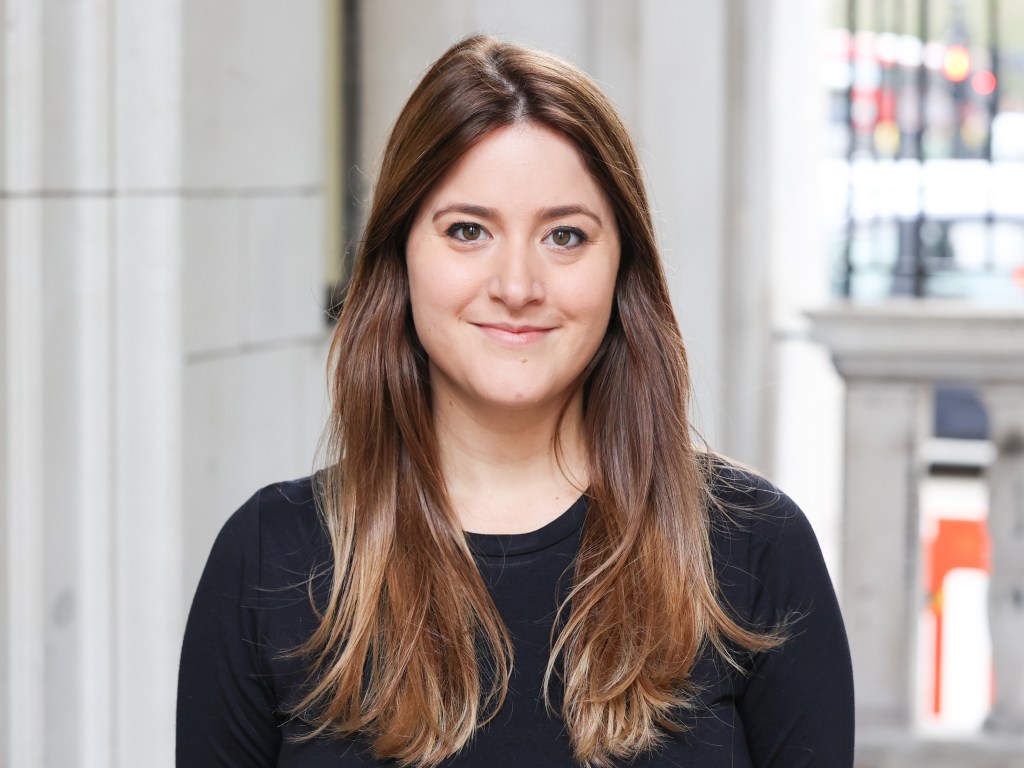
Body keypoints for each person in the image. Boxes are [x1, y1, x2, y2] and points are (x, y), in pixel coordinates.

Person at [176, 34, 854, 767]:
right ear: (400, 253)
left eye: (565, 236)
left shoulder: (754, 551)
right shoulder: (268, 561)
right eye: (468, 231)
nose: (518, 285)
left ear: (622, 265)